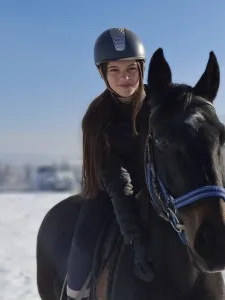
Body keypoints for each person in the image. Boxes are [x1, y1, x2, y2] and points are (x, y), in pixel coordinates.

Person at [65, 27, 154, 300]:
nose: (124, 78)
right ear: (102, 73)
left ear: (141, 68)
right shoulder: (96, 118)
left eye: (131, 68)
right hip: (109, 193)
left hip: (157, 190)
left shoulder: (160, 105)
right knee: (82, 244)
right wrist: (134, 237)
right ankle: (73, 294)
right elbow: (116, 178)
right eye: (114, 70)